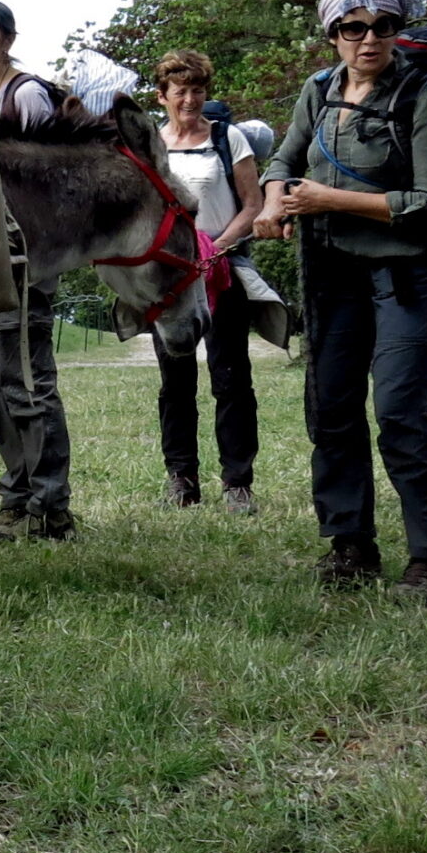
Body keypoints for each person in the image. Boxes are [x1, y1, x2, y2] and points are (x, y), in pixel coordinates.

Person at [254, 0, 427, 598]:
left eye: (383, 25)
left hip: (406, 275)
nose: (368, 39)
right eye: (352, 27)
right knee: (332, 409)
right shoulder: (319, 89)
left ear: (399, 28)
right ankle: (350, 545)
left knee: (399, 412)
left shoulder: (423, 93)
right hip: (330, 272)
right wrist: (271, 200)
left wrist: (327, 201)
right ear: (333, 32)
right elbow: (285, 157)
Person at [0, 0, 75, 542]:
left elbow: (46, 184)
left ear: (7, 38)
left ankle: (51, 509)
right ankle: (17, 499)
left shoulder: (26, 94)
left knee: (28, 383)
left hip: (23, 264)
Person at [149, 51, 274, 514]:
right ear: (162, 96)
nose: (190, 99)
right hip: (170, 278)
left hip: (222, 269)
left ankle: (237, 482)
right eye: (180, 91)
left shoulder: (229, 138)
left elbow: (252, 204)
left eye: (198, 90)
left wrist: (214, 248)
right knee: (174, 381)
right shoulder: (152, 146)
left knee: (231, 377)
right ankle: (181, 478)